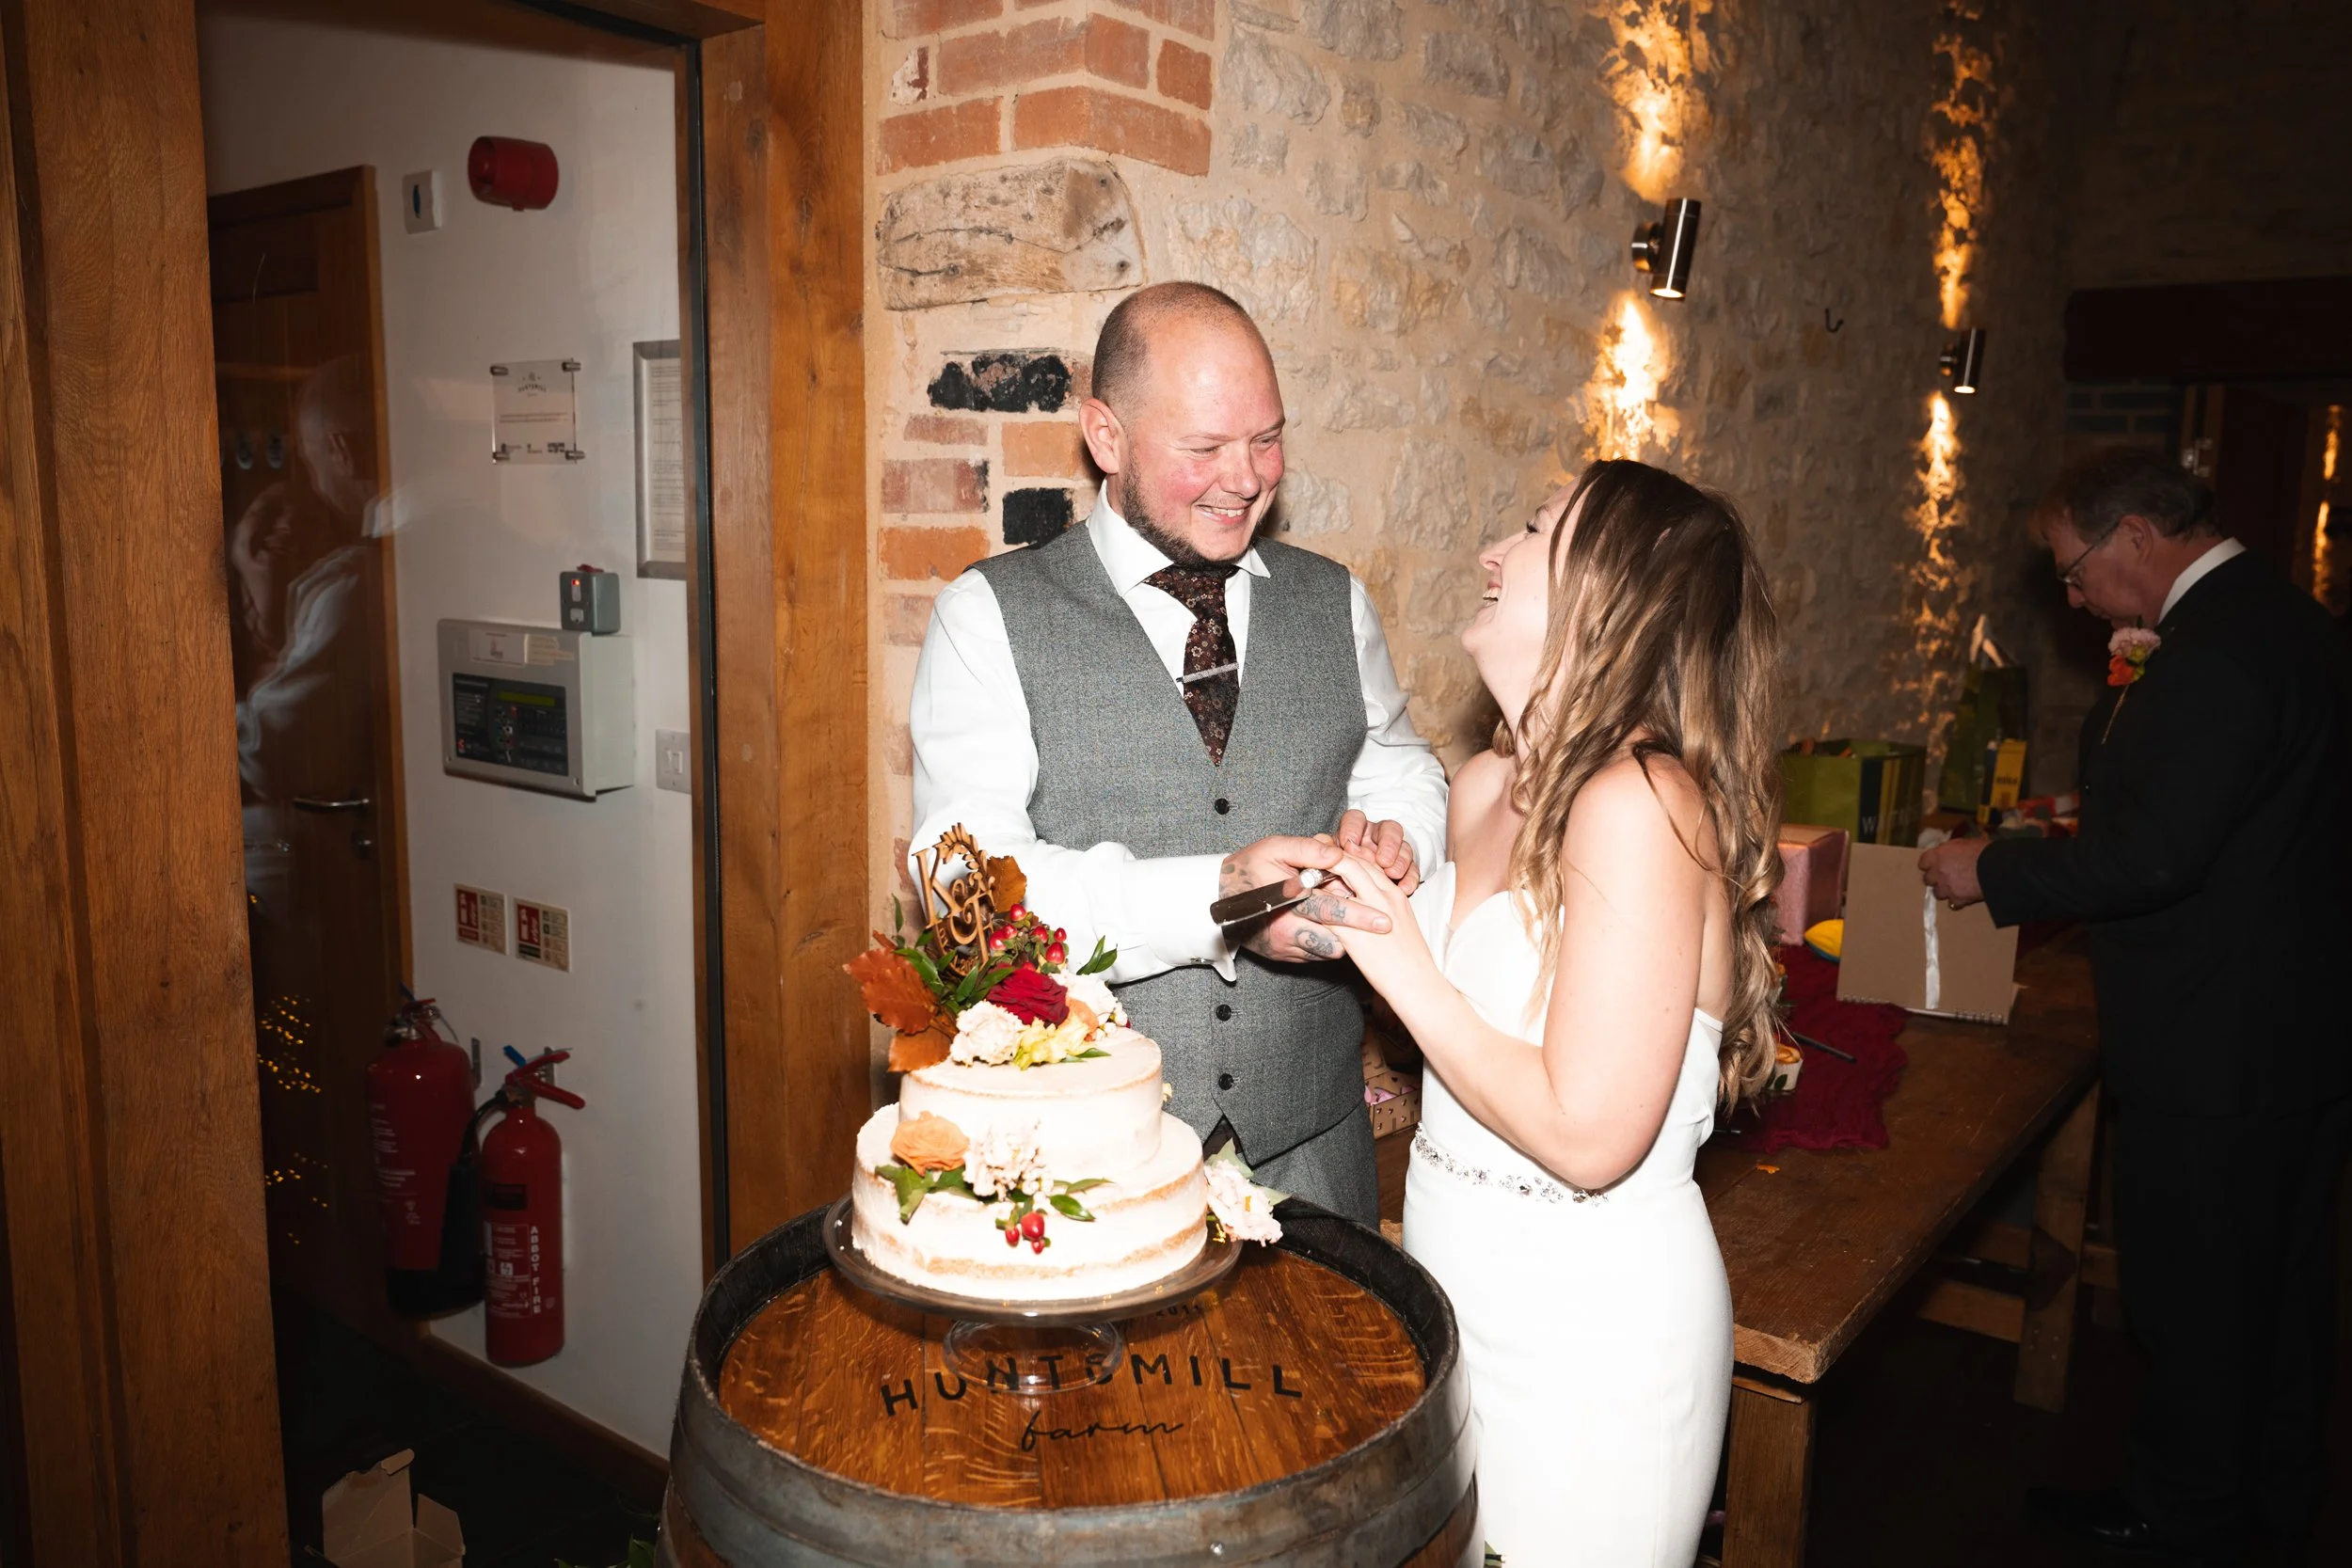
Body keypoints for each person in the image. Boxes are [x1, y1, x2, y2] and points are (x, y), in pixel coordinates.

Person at [1318, 460, 1784, 1564]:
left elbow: (1589, 1134)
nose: (1491, 551)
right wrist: (1361, 895)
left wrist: (1403, 962)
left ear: (1604, 592)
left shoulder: (1641, 800)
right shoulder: (1484, 783)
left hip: (1593, 1331)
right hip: (1454, 1279)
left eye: (1531, 531)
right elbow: (1466, 1021)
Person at [908, 281, 1449, 1224]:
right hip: (1080, 1176)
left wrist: (1400, 843)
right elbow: (965, 903)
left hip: (1316, 1159)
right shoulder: (985, 617)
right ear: (1107, 438)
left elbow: (1400, 765)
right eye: (1202, 449)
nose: (1244, 477)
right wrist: (1221, 898)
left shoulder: (1336, 602)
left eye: (1267, 438)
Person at [1921, 450, 2352, 1564]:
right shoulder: (2288, 620)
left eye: (2071, 571)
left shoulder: (2212, 653)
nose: (2069, 596)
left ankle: (2182, 1512)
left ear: (2135, 541)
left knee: (2198, 1293)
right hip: (2294, 1022)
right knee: (2282, 1286)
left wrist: (1995, 872)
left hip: (2220, 1035)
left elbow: (2156, 858)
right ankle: (2271, 1495)